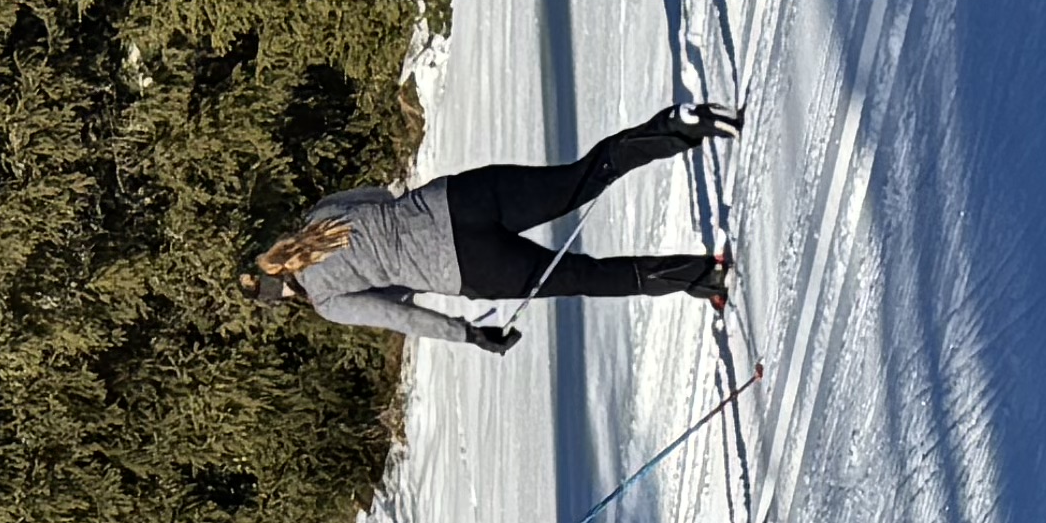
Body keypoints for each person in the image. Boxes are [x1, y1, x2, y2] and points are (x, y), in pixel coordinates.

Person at [248, 104, 739, 348]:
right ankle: (675, 126)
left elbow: (402, 318)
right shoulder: (320, 214)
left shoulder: (327, 302)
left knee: (583, 276)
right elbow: (380, 196)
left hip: (471, 268)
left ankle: (700, 275)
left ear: (283, 290)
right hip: (460, 200)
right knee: (576, 181)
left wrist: (469, 335)